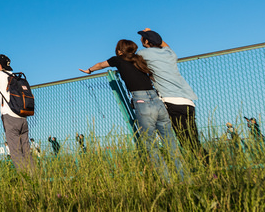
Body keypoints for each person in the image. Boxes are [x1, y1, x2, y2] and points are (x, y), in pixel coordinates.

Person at [81, 39, 186, 179]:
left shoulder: (117, 60)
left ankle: (167, 181)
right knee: (170, 142)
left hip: (142, 101)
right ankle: (185, 178)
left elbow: (100, 65)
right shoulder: (140, 60)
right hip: (157, 100)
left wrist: (89, 70)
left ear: (119, 51)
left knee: (150, 145)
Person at [137, 29, 207, 164]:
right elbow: (164, 44)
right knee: (193, 140)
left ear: (147, 42)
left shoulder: (143, 53)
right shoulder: (169, 53)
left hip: (170, 101)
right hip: (188, 101)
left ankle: (208, 170)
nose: (140, 40)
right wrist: (152, 32)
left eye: (142, 38)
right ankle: (210, 169)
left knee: (185, 142)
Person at [0, 54, 32, 171]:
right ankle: (34, 179)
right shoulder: (14, 76)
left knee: (16, 153)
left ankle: (26, 182)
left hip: (10, 118)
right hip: (23, 118)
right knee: (26, 152)